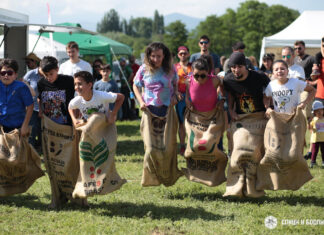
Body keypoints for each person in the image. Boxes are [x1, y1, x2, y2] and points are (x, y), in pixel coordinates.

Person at [133, 42, 179, 116]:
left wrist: (175, 95)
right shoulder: (144, 68)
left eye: (159, 56)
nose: (155, 59)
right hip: (148, 108)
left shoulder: (171, 68)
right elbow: (135, 85)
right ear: (149, 56)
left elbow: (175, 83)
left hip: (167, 107)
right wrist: (141, 102)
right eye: (153, 56)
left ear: (163, 56)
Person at [223, 52, 270, 120]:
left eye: (240, 66)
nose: (237, 70)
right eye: (233, 67)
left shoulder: (259, 76)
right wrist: (230, 110)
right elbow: (231, 95)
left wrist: (269, 107)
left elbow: (272, 90)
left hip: (260, 115)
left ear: (245, 66)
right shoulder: (228, 80)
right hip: (241, 117)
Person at [0, 59, 33, 136]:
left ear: (15, 75)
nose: (6, 75)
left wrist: (25, 125)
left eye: (10, 73)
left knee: (16, 148)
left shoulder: (21, 87)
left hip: (17, 128)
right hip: (1, 127)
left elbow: (30, 106)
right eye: (3, 73)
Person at [38, 56, 75, 125]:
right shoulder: (41, 83)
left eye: (51, 74)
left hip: (66, 123)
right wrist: (40, 110)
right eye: (46, 75)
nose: (49, 77)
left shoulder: (68, 81)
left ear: (57, 69)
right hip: (48, 123)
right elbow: (40, 98)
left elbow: (74, 100)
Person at [174, 46, 192, 155]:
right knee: (181, 123)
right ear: (178, 55)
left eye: (185, 53)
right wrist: (176, 92)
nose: (183, 55)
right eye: (181, 53)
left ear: (188, 54)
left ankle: (191, 145)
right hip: (180, 97)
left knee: (191, 121)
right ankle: (182, 145)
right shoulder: (175, 67)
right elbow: (173, 82)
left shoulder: (193, 67)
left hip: (191, 97)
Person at [23, 61, 44, 150]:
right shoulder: (31, 73)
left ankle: (41, 149)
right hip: (32, 107)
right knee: (32, 129)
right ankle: (30, 150)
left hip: (44, 107)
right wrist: (30, 89)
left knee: (42, 130)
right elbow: (23, 82)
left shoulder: (48, 75)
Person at [308, 101, 324, 168]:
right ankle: (313, 161)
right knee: (314, 151)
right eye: (317, 111)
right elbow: (310, 128)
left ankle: (323, 161)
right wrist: (309, 123)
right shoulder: (314, 119)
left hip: (323, 139)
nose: (319, 112)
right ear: (314, 112)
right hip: (315, 139)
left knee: (323, 151)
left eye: (321, 110)